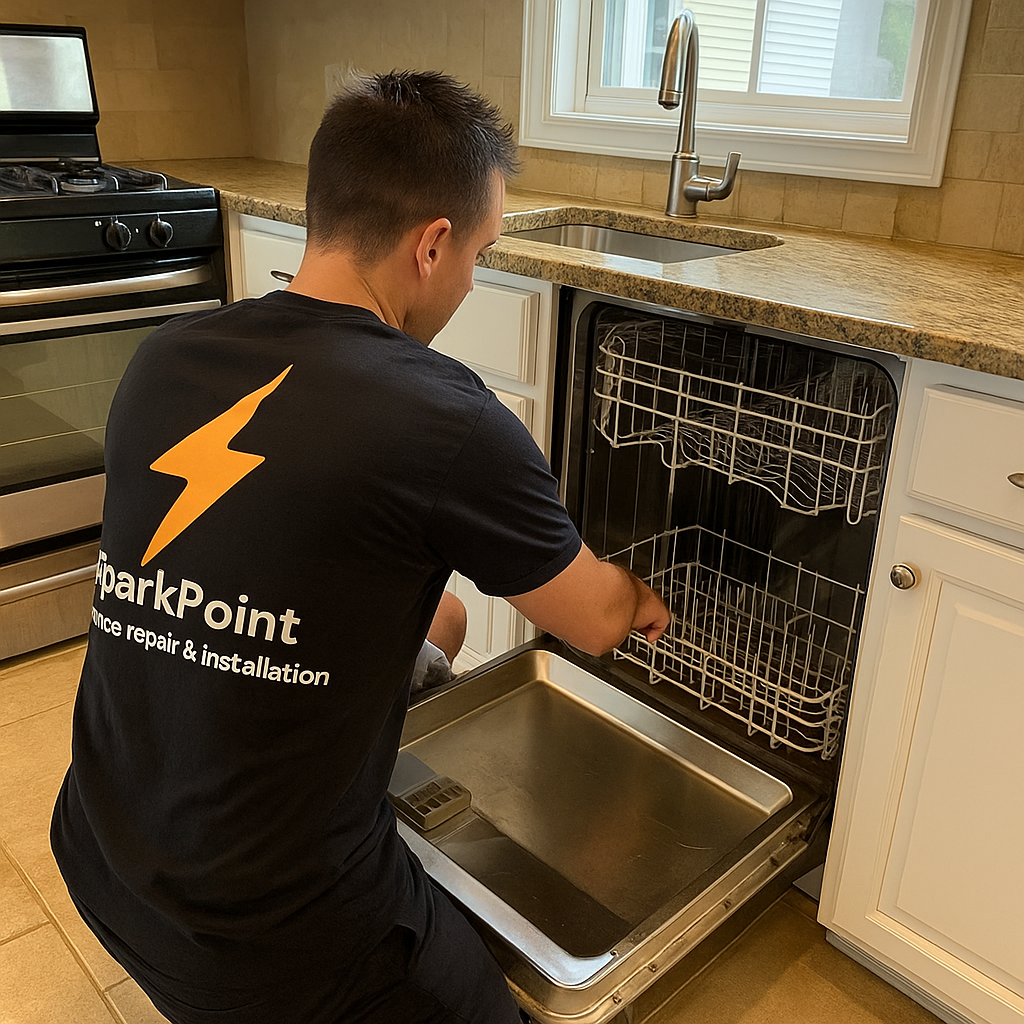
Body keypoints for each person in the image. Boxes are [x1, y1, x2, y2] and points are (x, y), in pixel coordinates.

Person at [51, 71, 670, 1024]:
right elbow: (593, 622)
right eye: (480, 254)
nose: (473, 280)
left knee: (447, 616)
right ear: (432, 245)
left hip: (96, 852)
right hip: (266, 934)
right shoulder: (446, 416)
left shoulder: (165, 354)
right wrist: (646, 589)